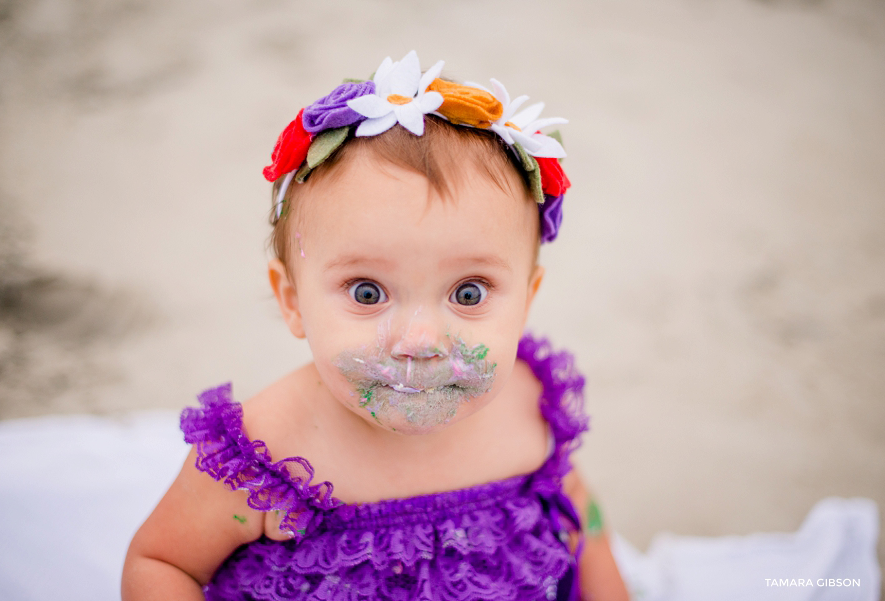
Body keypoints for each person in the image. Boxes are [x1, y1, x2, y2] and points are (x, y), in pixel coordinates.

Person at [122, 51, 629, 601]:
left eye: (468, 293)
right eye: (368, 293)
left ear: (527, 300)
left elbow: (577, 516)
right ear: (292, 301)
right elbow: (162, 562)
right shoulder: (267, 452)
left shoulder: (528, 403)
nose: (420, 341)